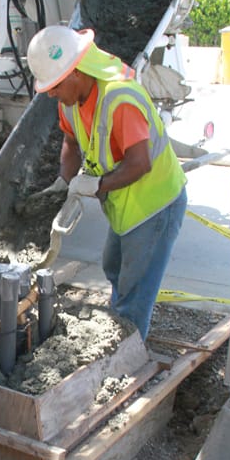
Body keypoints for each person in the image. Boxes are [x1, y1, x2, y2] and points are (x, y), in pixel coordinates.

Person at [26, 25, 187, 341]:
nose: (51, 93)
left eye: (54, 86)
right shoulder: (70, 101)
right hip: (125, 205)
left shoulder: (120, 98)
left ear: (75, 72)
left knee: (135, 292)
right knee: (113, 266)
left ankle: (127, 358)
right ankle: (121, 330)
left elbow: (140, 163)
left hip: (155, 206)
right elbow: (71, 143)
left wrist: (96, 185)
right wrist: (64, 181)